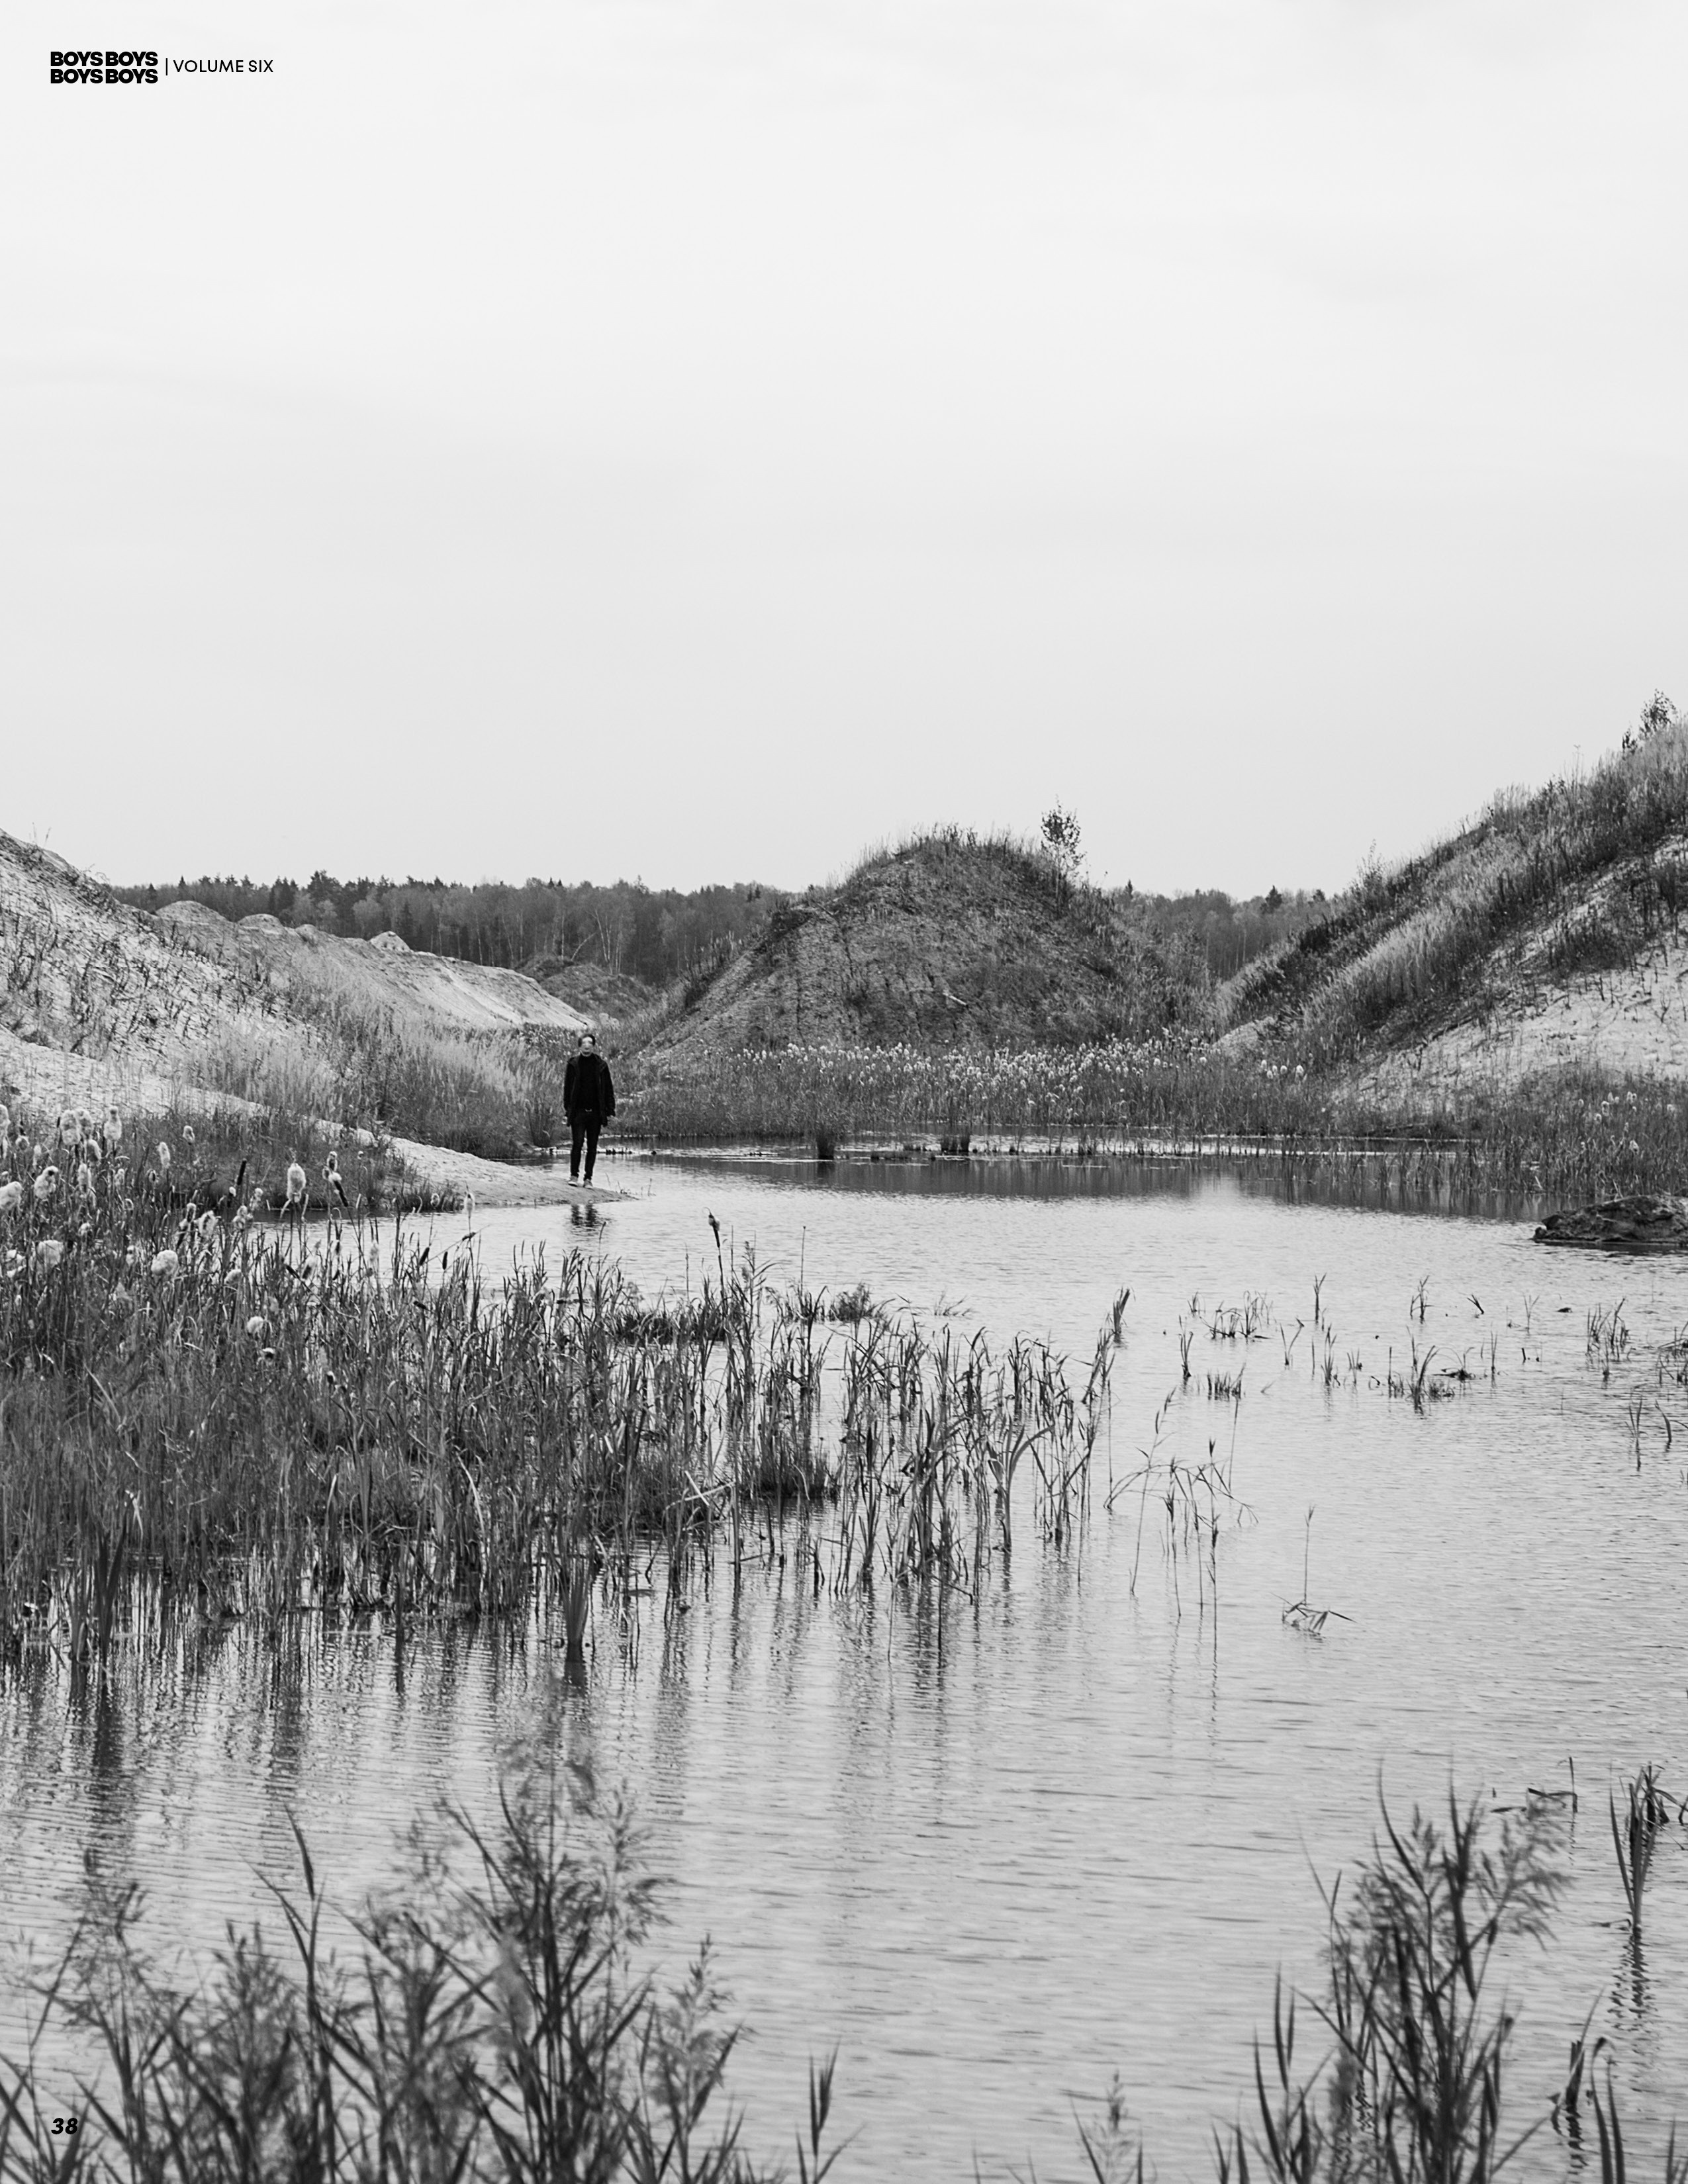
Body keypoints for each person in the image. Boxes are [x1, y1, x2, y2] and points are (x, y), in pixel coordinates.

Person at [563, 1030, 615, 1185]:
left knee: (592, 1146)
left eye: (590, 1044)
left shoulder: (601, 1066)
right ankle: (574, 1176)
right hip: (578, 1112)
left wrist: (610, 1110)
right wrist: (568, 1109)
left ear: (593, 1046)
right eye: (584, 1043)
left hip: (596, 1113)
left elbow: (609, 1088)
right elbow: (567, 1088)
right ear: (579, 1047)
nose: (587, 1046)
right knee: (577, 1143)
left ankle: (588, 1179)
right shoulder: (573, 1064)